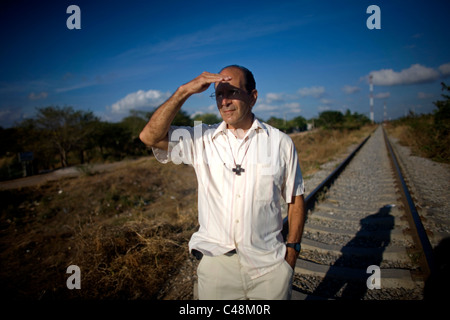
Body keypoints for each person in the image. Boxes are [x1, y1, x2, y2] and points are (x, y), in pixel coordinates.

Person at [139, 65, 306, 300]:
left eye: (233, 93)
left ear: (253, 97)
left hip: (269, 266)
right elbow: (149, 137)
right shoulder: (201, 139)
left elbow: (295, 200)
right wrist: (183, 91)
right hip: (217, 269)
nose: (224, 101)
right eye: (219, 94)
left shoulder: (280, 143)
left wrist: (291, 254)